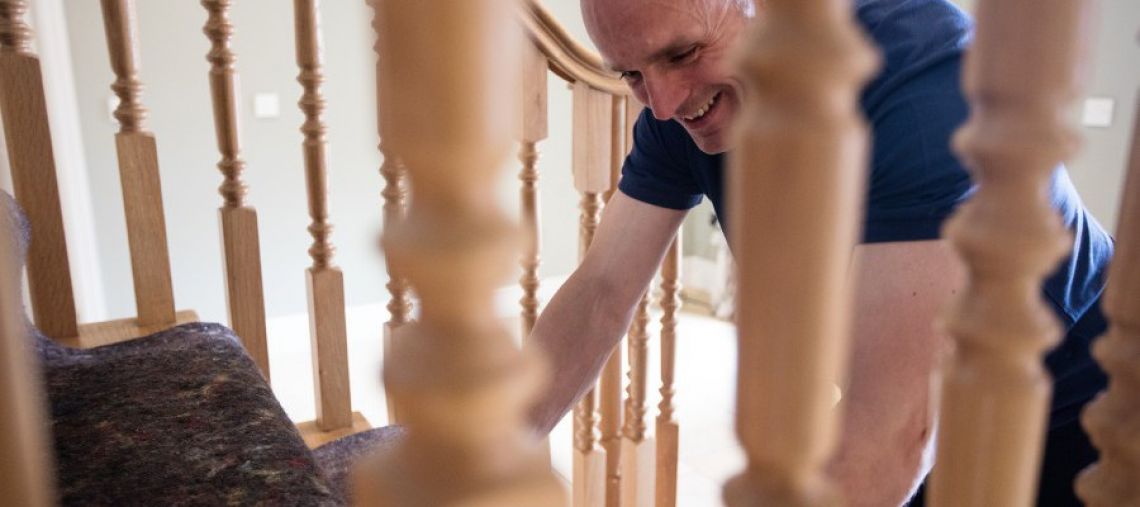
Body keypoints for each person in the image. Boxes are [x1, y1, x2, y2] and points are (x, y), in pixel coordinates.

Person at [524, 0, 1114, 505]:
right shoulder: (674, 109)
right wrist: (481, 450)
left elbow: (892, 432)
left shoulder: (926, 81)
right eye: (630, 73)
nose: (661, 102)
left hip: (1079, 409)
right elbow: (600, 292)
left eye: (682, 55)